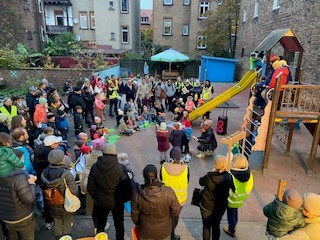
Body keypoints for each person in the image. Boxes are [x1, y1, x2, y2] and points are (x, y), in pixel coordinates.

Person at [87, 143, 132, 239]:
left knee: (101, 223)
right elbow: (128, 187)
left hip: (101, 200)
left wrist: (97, 197)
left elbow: (90, 186)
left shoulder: (95, 166)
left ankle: (100, 237)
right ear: (115, 153)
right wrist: (123, 199)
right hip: (117, 201)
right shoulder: (120, 168)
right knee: (119, 224)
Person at [131, 164, 181, 240]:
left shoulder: (137, 194)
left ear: (144, 177)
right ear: (156, 175)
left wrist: (142, 224)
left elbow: (134, 217)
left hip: (145, 232)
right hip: (164, 232)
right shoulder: (168, 192)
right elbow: (176, 211)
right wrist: (167, 218)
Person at [41, 149, 79, 238]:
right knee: (67, 220)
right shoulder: (66, 173)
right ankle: (67, 236)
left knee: (57, 220)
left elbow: (43, 187)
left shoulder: (44, 172)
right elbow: (74, 190)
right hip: (66, 202)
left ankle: (58, 237)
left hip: (52, 202)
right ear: (61, 159)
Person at [199, 155, 235, 240]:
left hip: (206, 205)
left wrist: (211, 172)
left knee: (206, 226)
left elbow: (201, 182)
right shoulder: (228, 177)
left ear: (215, 164)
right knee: (216, 225)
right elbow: (233, 188)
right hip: (220, 206)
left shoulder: (209, 176)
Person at [0, 158, 37, 240]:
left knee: (13, 236)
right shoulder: (19, 178)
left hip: (6, 218)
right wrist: (32, 184)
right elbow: (29, 199)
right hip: (22, 217)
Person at [160, 148, 189, 240]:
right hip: (180, 200)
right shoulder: (186, 169)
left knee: (167, 217)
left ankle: (167, 234)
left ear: (170, 157)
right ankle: (172, 235)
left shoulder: (163, 167)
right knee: (175, 217)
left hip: (166, 199)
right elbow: (187, 181)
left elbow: (161, 180)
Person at [224, 154, 254, 238]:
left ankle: (231, 230)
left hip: (231, 199)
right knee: (235, 211)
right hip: (241, 198)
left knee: (231, 213)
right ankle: (234, 225)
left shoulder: (230, 175)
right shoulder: (250, 174)